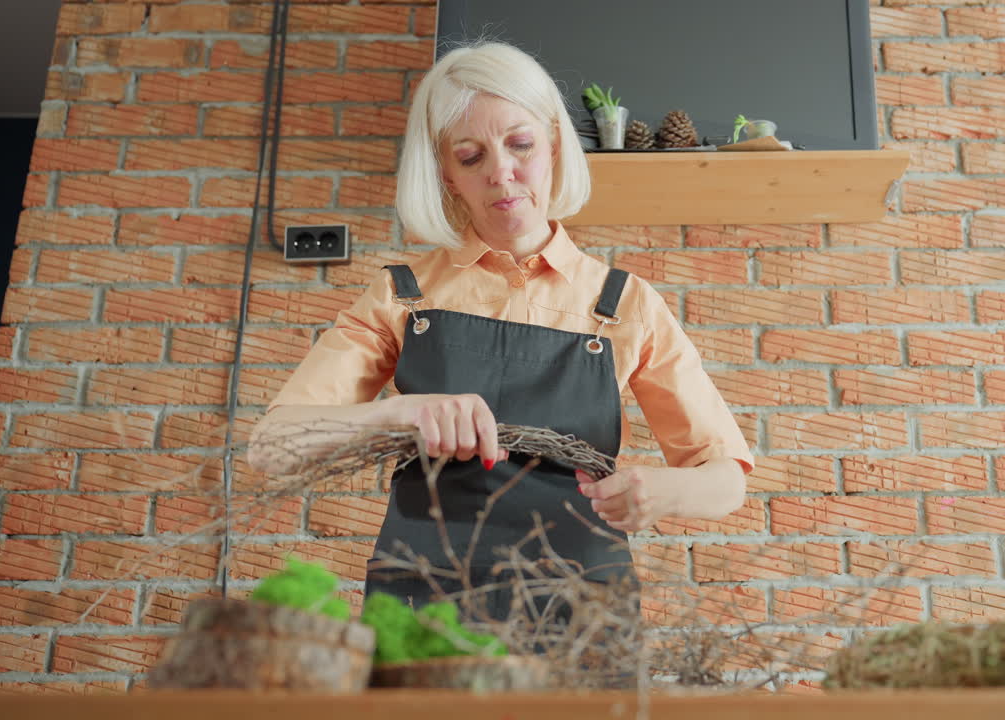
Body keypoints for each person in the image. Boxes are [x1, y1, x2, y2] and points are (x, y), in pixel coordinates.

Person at [248, 41, 752, 620]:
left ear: (556, 146)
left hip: (581, 606)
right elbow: (271, 447)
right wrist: (399, 415)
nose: (501, 175)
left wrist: (664, 492)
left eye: (520, 145)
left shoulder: (623, 304)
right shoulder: (403, 295)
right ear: (446, 174)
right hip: (425, 602)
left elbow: (725, 480)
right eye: (470, 156)